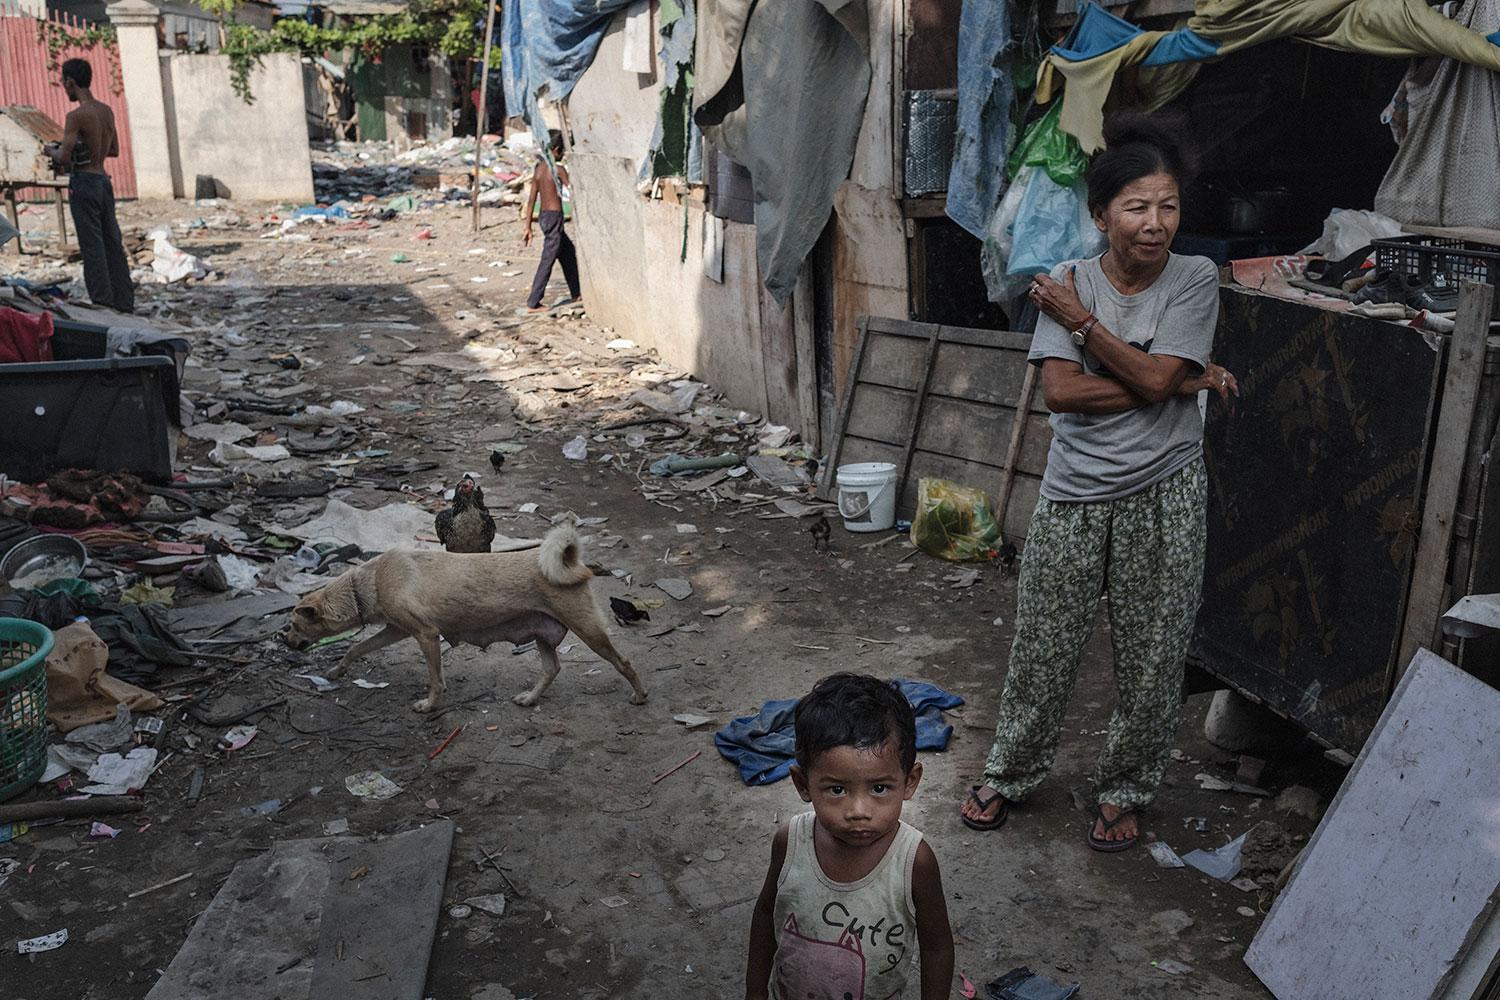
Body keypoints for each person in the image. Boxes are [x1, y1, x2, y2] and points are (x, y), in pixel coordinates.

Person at [959, 112, 1239, 852]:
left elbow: (1140, 376)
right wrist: (1176, 384)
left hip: (1165, 490)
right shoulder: (1069, 279)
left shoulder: (1191, 279)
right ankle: (1011, 771)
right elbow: (1062, 394)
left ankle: (1125, 791)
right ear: (1101, 214)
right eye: (1138, 206)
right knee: (1044, 646)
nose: (1156, 224)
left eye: (1169, 205)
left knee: (1152, 658)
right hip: (1075, 492)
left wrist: (1088, 330)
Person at [747, 673, 954, 1000]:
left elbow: (937, 947)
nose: (859, 810)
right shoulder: (790, 842)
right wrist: (755, 993)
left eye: (879, 788)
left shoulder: (914, 861)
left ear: (910, 781)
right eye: (837, 789)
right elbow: (765, 916)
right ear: (803, 784)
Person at [45, 58, 133, 314]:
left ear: (70, 82)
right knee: (112, 245)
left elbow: (63, 159)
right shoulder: (106, 111)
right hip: (103, 182)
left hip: (83, 184)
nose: (65, 88)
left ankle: (104, 306)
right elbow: (113, 150)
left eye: (64, 83)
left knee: (92, 249)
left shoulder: (76, 115)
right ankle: (125, 305)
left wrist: (51, 150)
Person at [523, 130, 579, 313]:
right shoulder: (558, 170)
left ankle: (577, 292)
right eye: (561, 151)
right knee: (548, 259)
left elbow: (531, 200)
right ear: (555, 149)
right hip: (555, 218)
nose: (562, 155)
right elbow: (573, 192)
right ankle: (533, 302)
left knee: (568, 254)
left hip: (544, 217)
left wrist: (528, 227)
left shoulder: (538, 169)